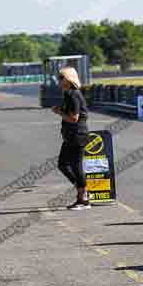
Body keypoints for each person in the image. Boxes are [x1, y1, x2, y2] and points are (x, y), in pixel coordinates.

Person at [51, 67, 90, 210]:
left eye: (61, 78)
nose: (59, 81)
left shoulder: (74, 94)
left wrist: (59, 112)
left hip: (77, 134)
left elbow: (74, 118)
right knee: (63, 164)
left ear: (68, 79)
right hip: (70, 135)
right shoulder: (67, 94)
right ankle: (82, 189)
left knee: (75, 165)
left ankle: (83, 198)